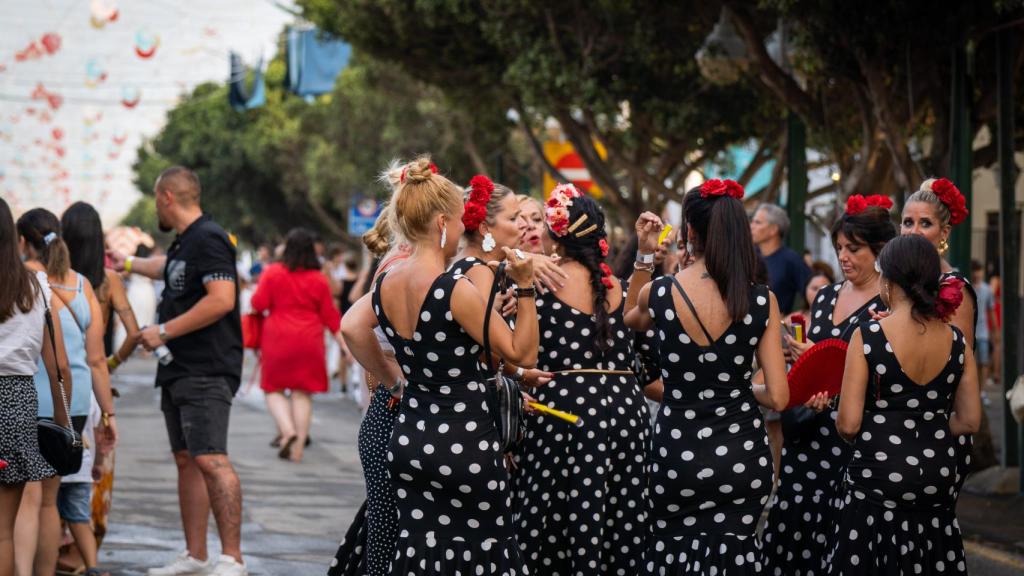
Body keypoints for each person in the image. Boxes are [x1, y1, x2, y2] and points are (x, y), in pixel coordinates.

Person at [346, 156, 539, 574]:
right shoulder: (454, 289)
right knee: (484, 551)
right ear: (442, 224)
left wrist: (395, 382)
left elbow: (351, 328)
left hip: (412, 437)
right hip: (464, 439)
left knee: (420, 553)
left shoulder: (388, 282)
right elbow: (521, 352)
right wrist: (524, 287)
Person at [624, 179, 789, 574]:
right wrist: (736, 387)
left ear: (690, 232)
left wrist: (645, 256)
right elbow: (780, 398)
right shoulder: (761, 299)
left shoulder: (662, 293)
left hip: (677, 454)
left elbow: (629, 317)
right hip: (741, 455)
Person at [108, 166, 246, 576]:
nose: (156, 208)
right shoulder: (188, 242)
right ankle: (196, 554)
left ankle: (232, 558)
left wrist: (163, 331)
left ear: (166, 196)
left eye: (155, 199)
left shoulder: (209, 238)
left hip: (206, 368)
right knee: (187, 458)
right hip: (180, 370)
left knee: (211, 458)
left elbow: (221, 299)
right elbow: (167, 268)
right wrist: (128, 263)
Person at [514, 186, 649, 575]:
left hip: (563, 417)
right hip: (627, 415)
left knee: (556, 521)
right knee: (619, 520)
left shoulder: (538, 286)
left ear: (557, 235)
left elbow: (515, 351)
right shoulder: (620, 290)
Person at [827, 235, 981, 574]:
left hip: (877, 479)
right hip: (937, 480)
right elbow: (970, 421)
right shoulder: (956, 341)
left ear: (888, 279)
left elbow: (849, 424)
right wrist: (928, 424)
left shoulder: (869, 336)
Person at [762, 194, 896, 575]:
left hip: (850, 443)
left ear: (880, 250)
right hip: (805, 436)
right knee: (794, 537)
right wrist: (799, 357)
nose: (843, 257)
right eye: (839, 247)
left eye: (853, 249)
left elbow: (886, 375)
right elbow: (816, 360)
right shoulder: (824, 296)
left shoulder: (887, 305)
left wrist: (820, 357)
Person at [15, 208, 119, 576]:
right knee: (48, 503)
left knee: (24, 500)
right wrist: (107, 413)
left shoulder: (21, 279)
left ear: (23, 241)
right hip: (71, 403)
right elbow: (96, 361)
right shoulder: (81, 285)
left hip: (29, 400)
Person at [60, 202, 140, 561]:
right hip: (96, 381)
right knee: (95, 470)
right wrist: (113, 361)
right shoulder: (109, 282)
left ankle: (56, 548)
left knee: (54, 471)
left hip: (57, 380)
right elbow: (134, 332)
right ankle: (83, 552)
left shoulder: (52, 280)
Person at [900, 177, 992, 487]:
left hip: (933, 434)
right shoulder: (894, 284)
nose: (913, 231)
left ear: (944, 233)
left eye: (924, 223)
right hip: (890, 431)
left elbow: (956, 370)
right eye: (907, 222)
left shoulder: (955, 290)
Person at [0, 197, 73, 576]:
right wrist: (64, 422)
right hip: (16, 401)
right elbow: (56, 362)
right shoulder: (36, 286)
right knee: (3, 532)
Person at [251, 228, 343, 463]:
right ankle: (299, 447)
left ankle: (286, 429)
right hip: (309, 339)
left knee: (273, 389)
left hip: (278, 338)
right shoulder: (318, 279)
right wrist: (345, 345)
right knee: (302, 394)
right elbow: (331, 316)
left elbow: (258, 303)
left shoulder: (272, 273)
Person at [57, 395, 109, 576]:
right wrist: (99, 462)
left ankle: (44, 564)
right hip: (81, 467)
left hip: (52, 467)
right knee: (80, 520)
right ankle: (92, 567)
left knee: (49, 517)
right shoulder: (88, 392)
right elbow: (99, 433)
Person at [750, 203, 811, 314]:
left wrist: (801, 315)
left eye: (757, 222)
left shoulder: (791, 260)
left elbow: (814, 291)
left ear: (773, 229)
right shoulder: (748, 255)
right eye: (752, 221)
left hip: (776, 327)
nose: (751, 226)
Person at [971, 260, 994, 386]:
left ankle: (982, 390)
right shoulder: (968, 287)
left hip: (984, 332)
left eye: (979, 270)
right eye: (975, 270)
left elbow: (991, 311)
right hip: (971, 332)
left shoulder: (987, 289)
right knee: (972, 364)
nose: (977, 274)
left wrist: (995, 331)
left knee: (984, 362)